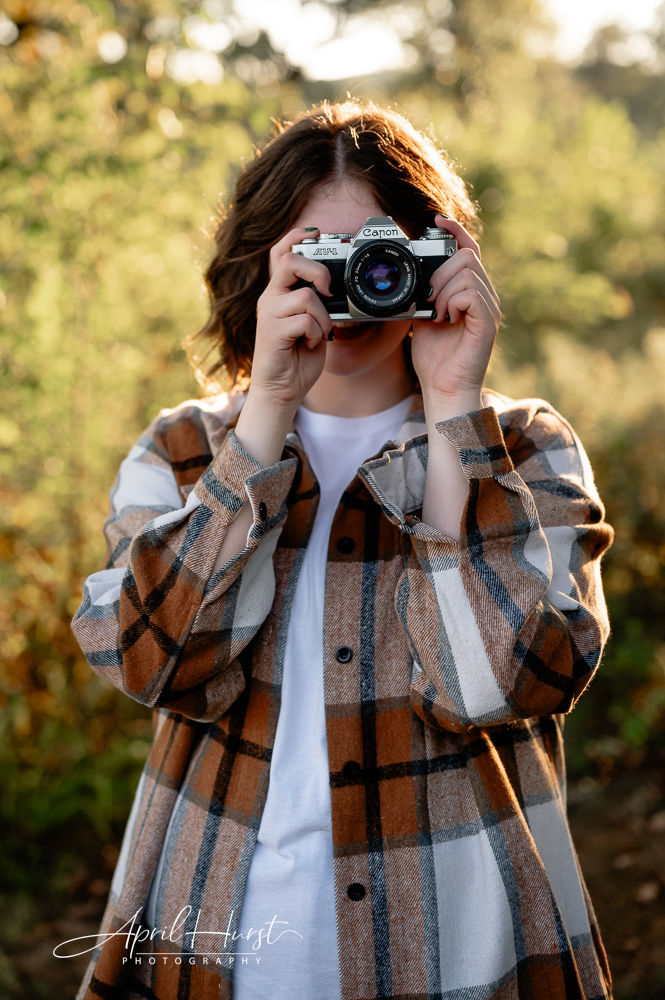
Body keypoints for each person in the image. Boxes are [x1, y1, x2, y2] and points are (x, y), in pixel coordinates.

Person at [70, 100, 614, 1000]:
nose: (357, 281)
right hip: (212, 952)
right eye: (321, 257)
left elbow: (501, 686)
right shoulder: (181, 453)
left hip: (470, 963)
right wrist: (264, 422)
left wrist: (452, 408)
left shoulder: (523, 449)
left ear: (442, 258)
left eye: (383, 252)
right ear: (261, 268)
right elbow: (147, 662)